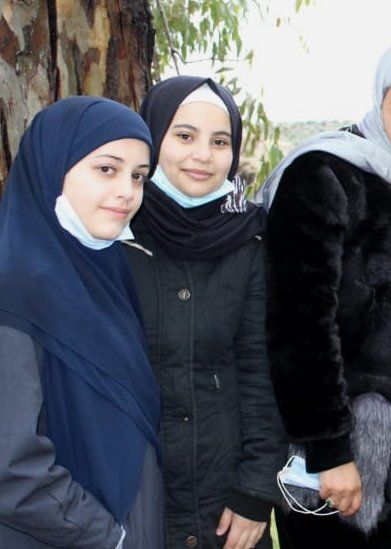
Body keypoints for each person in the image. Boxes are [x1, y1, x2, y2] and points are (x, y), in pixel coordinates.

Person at [259, 34, 391, 548]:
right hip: (343, 453)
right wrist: (330, 450)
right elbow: (298, 326)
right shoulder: (322, 174)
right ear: (384, 88)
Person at [124, 76, 286, 548]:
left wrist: (256, 492)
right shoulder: (116, 234)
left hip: (227, 509)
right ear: (152, 138)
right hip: (135, 502)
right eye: (184, 136)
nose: (202, 155)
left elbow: (264, 373)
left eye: (220, 141)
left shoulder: (252, 240)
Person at [0, 96, 162, 548]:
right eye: (106, 169)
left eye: (138, 176)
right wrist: (109, 537)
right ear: (54, 165)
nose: (127, 191)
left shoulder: (103, 272)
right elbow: (11, 465)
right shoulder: (14, 287)